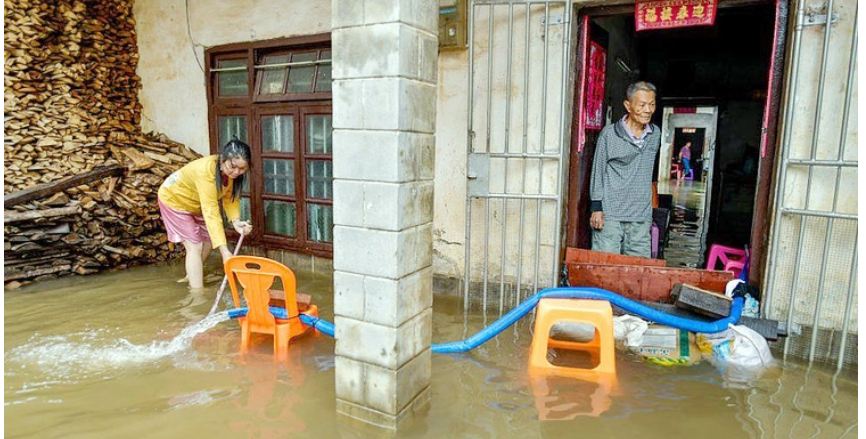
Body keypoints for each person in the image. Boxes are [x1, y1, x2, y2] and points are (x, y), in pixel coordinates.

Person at [158, 140, 254, 289]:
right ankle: (197, 294)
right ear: (223, 160)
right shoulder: (206, 171)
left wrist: (236, 221)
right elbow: (211, 213)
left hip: (197, 203)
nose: (236, 172)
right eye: (232, 167)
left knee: (208, 240)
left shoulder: (232, 175)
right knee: (194, 245)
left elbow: (230, 198)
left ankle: (192, 275)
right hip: (175, 199)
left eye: (242, 169)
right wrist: (225, 252)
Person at [588, 81, 661, 257]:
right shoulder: (609, 134)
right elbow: (598, 171)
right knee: (605, 267)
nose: (648, 110)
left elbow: (648, 173)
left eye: (652, 104)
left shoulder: (655, 134)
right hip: (610, 214)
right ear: (628, 106)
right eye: (642, 105)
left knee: (638, 272)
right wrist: (596, 208)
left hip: (640, 216)